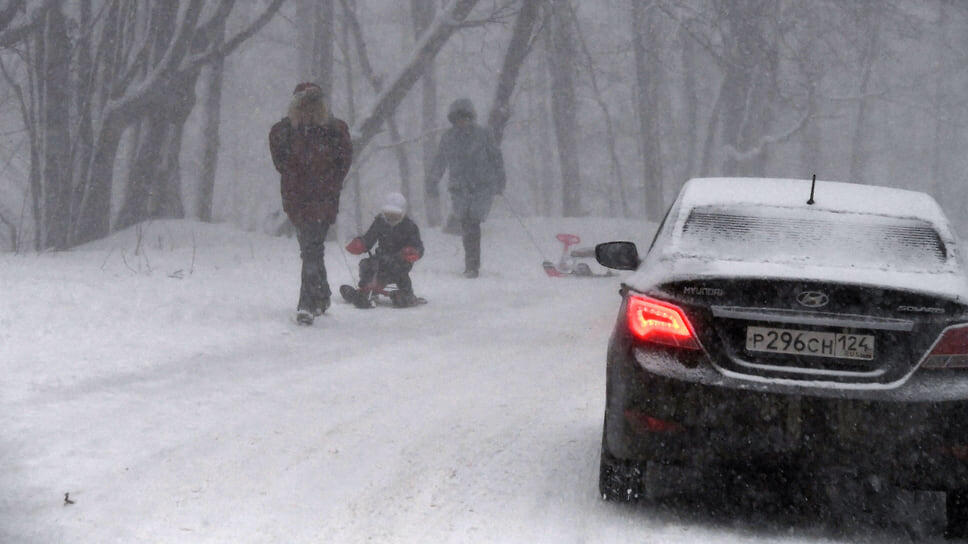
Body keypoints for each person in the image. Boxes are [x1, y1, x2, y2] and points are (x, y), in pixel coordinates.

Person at [269, 82, 353, 325]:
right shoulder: (284, 132)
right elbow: (280, 163)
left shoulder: (334, 131)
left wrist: (329, 183)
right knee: (312, 248)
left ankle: (306, 304)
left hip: (323, 199)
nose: (308, 111)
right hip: (297, 200)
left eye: (313, 106)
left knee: (311, 249)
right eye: (303, 106)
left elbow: (343, 162)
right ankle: (322, 294)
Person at [426, 98, 506, 278]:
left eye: (465, 118)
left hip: (482, 187)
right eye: (458, 119)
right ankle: (470, 264)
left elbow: (496, 158)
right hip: (459, 188)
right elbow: (440, 161)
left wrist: (500, 181)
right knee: (466, 224)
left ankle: (472, 265)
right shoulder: (448, 138)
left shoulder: (483, 134)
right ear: (453, 120)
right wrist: (432, 181)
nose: (462, 122)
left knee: (473, 222)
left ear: (471, 117)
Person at [344, 193, 424, 308]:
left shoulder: (410, 226)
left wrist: (414, 252)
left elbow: (418, 247)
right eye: (388, 214)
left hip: (400, 261)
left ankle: (406, 293)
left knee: (398, 269)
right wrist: (360, 244)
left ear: (402, 213)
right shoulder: (380, 222)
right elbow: (369, 239)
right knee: (366, 264)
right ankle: (367, 289)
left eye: (395, 215)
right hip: (381, 259)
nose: (390, 218)